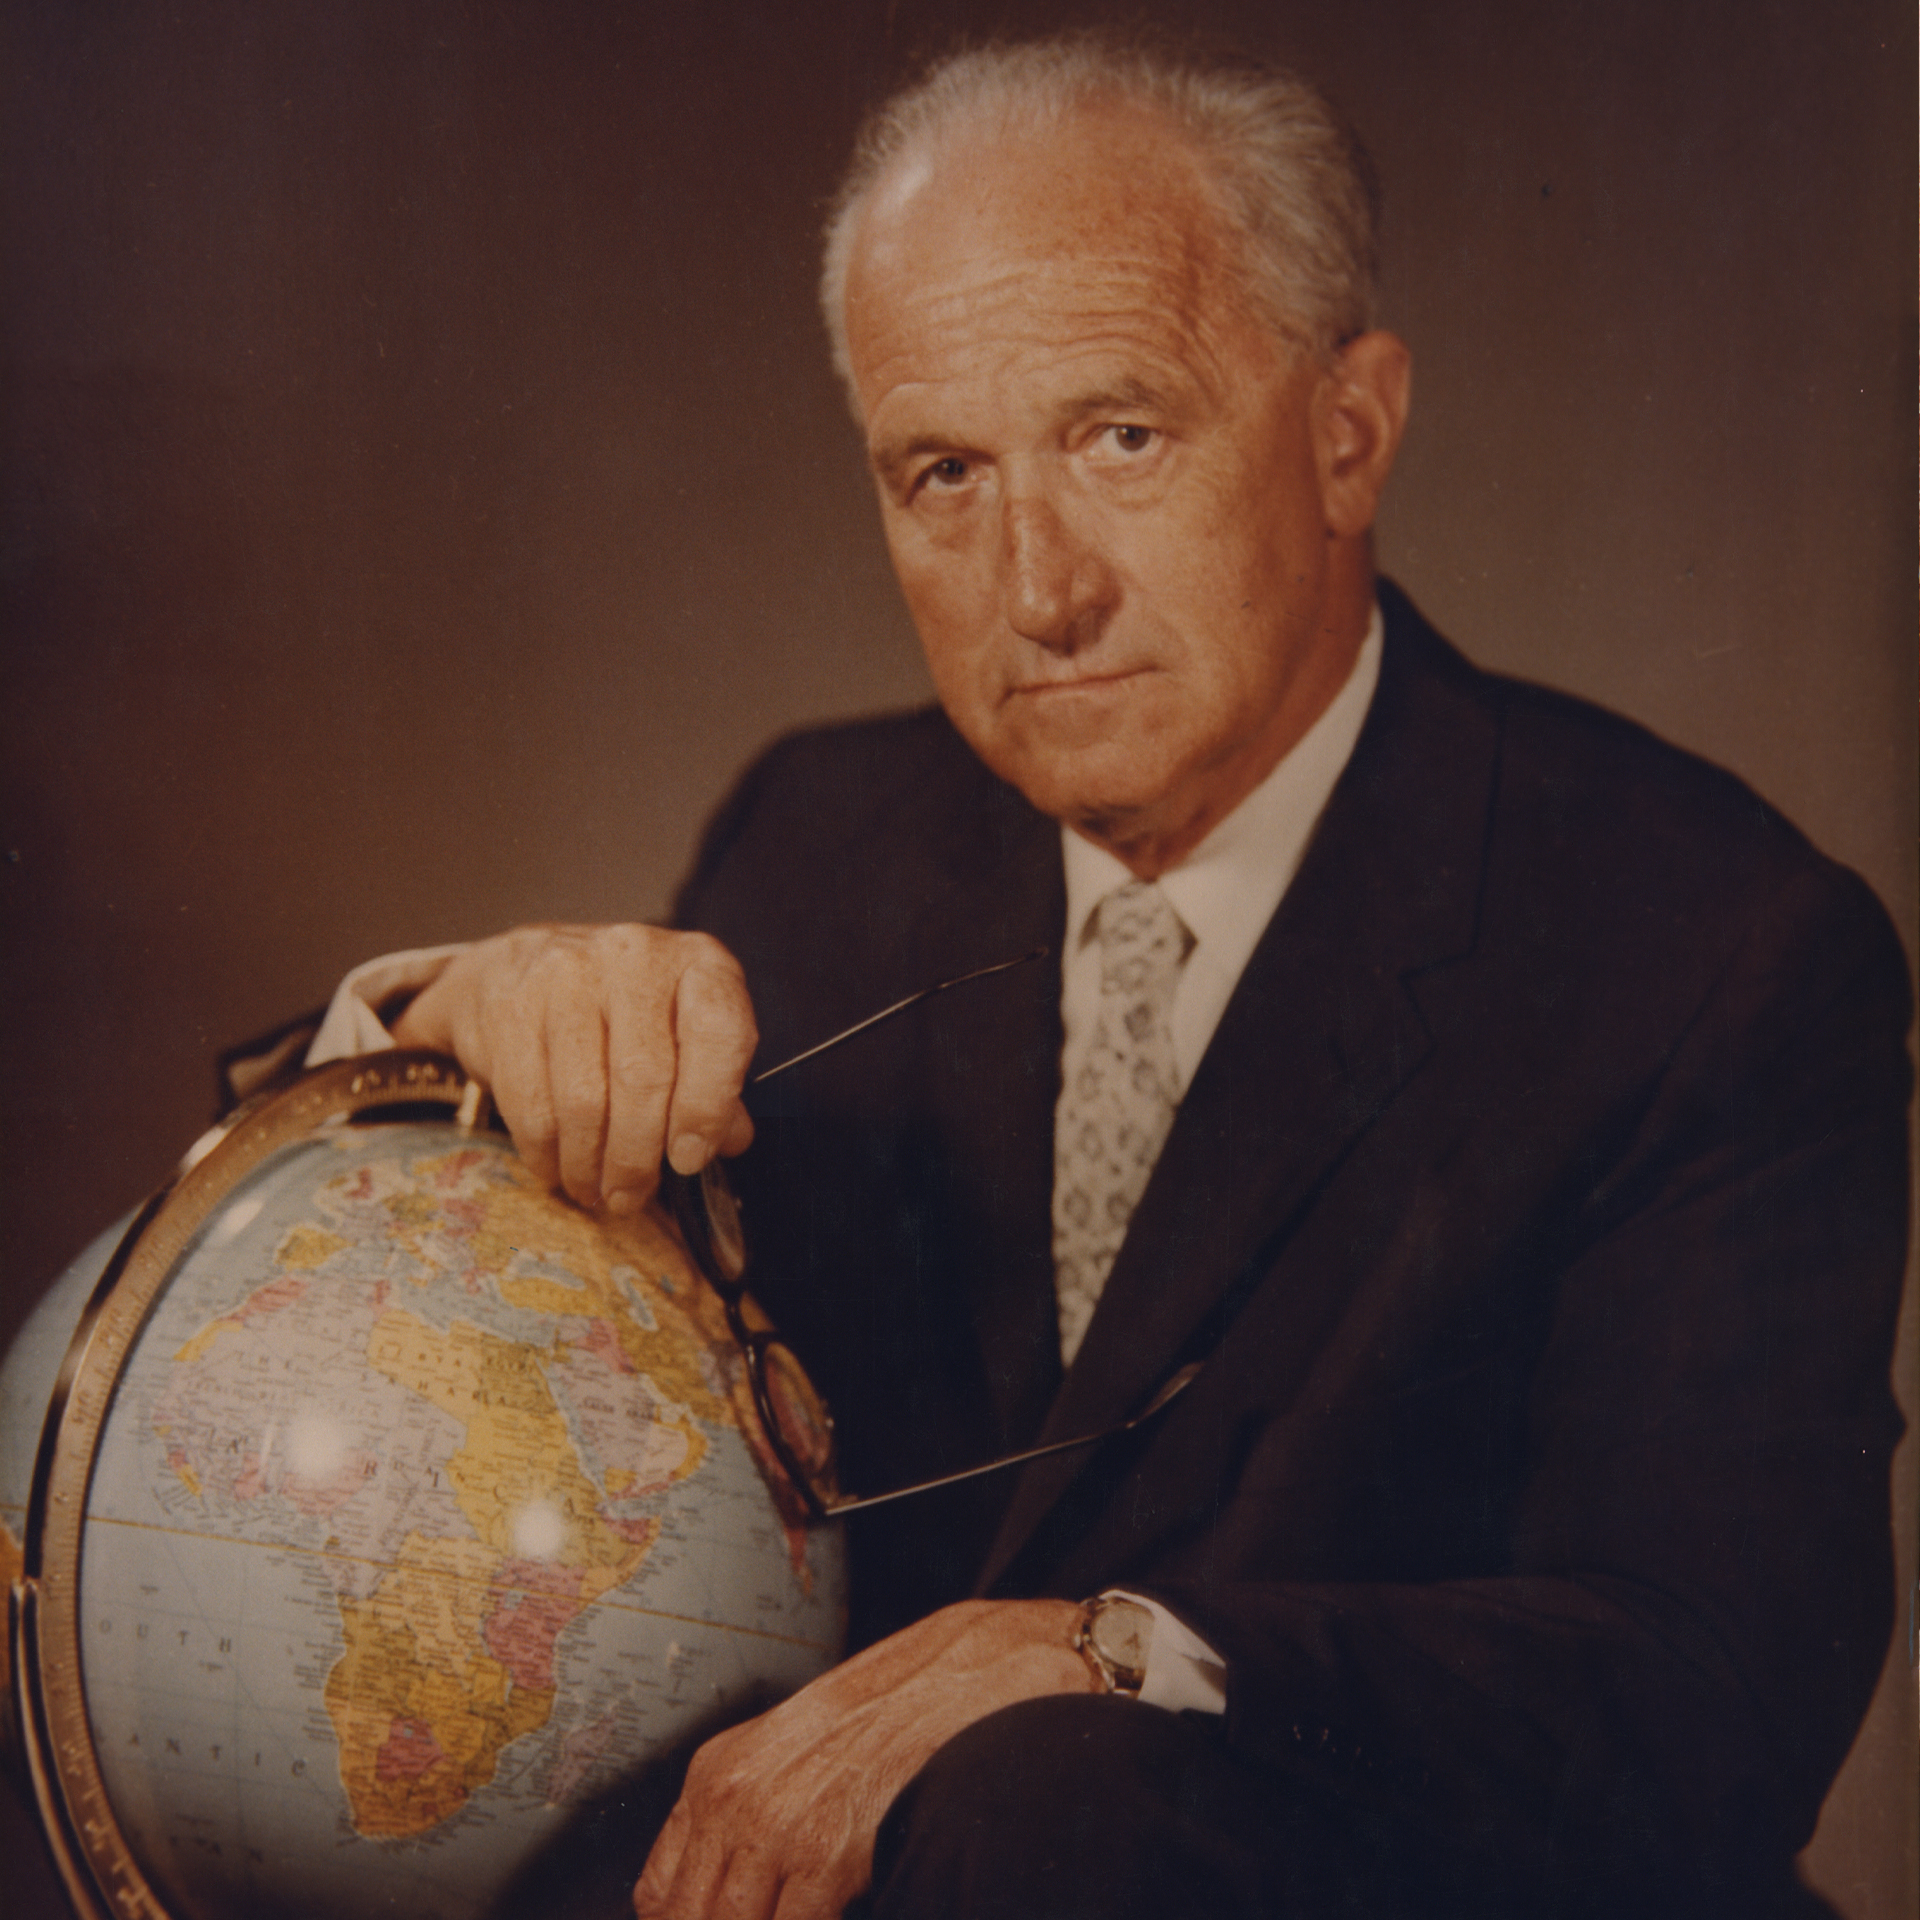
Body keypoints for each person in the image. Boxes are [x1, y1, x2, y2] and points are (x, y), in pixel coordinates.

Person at [291, 35, 1910, 1920]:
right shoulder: (814, 842)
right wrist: (446, 1045)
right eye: (944, 472)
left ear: (1349, 435)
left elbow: (1716, 1696)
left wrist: (1109, 1653)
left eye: (1122, 437)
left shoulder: (1704, 940)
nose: (1039, 589)